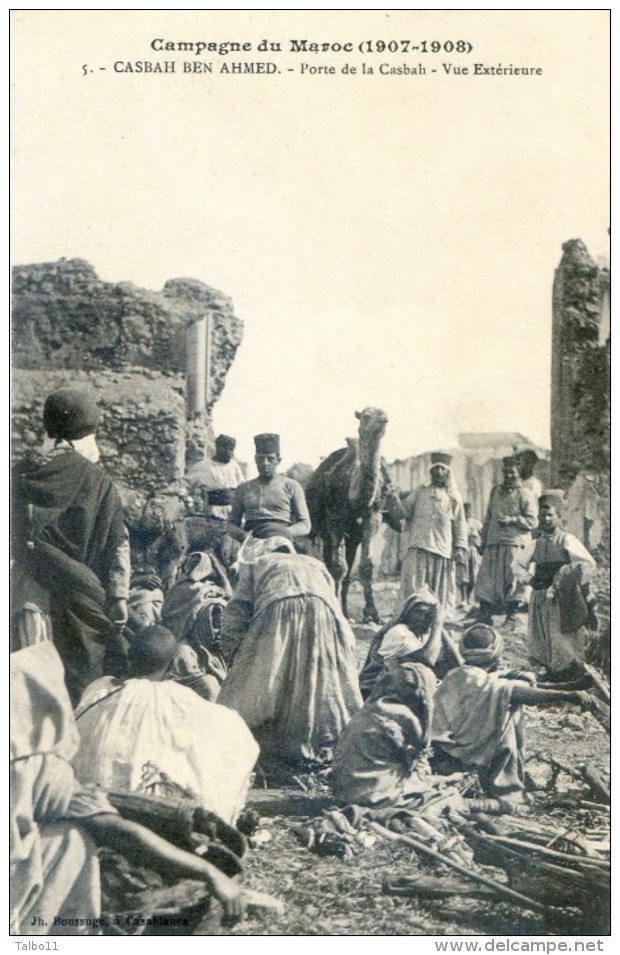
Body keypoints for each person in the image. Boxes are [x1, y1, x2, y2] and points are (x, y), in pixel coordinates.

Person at [10, 642, 281, 936]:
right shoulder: (36, 769)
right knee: (74, 840)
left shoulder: (98, 693)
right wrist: (209, 871)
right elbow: (118, 831)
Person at [11, 387, 130, 704]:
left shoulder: (18, 474)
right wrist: (118, 596)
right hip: (78, 606)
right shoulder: (98, 482)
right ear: (88, 433)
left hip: (22, 602)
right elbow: (116, 543)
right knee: (77, 692)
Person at [73, 625, 259, 826]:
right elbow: (235, 732)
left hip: (88, 803)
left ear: (129, 656)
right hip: (150, 811)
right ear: (171, 667)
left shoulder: (99, 688)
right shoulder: (178, 698)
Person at [218, 525, 362, 766]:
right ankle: (314, 739)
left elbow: (239, 608)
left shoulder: (257, 564)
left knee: (264, 676)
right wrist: (345, 646)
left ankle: (255, 737)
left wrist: (234, 652)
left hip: (278, 612)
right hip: (323, 618)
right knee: (315, 676)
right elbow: (337, 609)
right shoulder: (315, 564)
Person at [431, 625, 594, 802]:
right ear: (495, 655)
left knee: (505, 698)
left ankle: (510, 778)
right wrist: (567, 695)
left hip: (442, 750)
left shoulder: (458, 674)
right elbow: (519, 694)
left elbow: (508, 685)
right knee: (506, 711)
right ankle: (505, 786)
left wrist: (569, 687)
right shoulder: (486, 684)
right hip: (460, 756)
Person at [331, 660, 436, 808]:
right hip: (376, 794)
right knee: (443, 797)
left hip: (346, 790)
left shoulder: (371, 707)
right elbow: (415, 760)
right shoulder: (407, 717)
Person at [518, 491, 597, 681]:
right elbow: (517, 565)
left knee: (562, 632)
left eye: (550, 515)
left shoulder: (566, 540)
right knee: (541, 631)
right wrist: (529, 579)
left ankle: (568, 669)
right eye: (542, 515)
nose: (545, 519)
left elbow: (587, 564)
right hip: (540, 594)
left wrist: (566, 576)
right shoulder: (535, 543)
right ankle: (546, 668)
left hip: (562, 596)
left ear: (558, 516)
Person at [396, 452, 467, 612]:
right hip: (419, 546)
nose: (439, 473)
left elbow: (460, 524)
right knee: (415, 589)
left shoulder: (453, 496)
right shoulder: (420, 492)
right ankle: (412, 620)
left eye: (443, 469)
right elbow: (404, 511)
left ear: (448, 472)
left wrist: (460, 547)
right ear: (431, 471)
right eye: (436, 469)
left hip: (443, 550)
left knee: (440, 592)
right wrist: (393, 499)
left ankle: (439, 624)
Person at [475, 456, 537, 627]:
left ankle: (512, 616)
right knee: (486, 578)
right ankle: (485, 615)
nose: (509, 476)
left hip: (515, 543)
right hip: (494, 542)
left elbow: (533, 521)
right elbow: (488, 518)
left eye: (513, 473)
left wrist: (512, 520)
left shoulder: (525, 494)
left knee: (513, 580)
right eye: (506, 472)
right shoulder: (496, 492)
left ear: (519, 474)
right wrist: (484, 539)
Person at [162, 550, 232, 700]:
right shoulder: (194, 588)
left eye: (196, 563)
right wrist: (219, 574)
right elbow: (228, 595)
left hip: (191, 639)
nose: (192, 566)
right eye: (191, 562)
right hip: (185, 637)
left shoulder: (186, 588)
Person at [358, 586, 448, 699]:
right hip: (377, 689)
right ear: (407, 613)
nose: (422, 617)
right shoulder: (399, 632)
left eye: (427, 613)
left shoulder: (423, 633)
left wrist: (439, 625)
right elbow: (428, 660)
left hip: (400, 684)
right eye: (418, 612)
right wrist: (437, 625)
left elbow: (455, 662)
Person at [228, 433, 311, 539]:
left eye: (270, 459)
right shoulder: (243, 488)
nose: (265, 463)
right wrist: (244, 536)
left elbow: (305, 525)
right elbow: (231, 524)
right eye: (260, 459)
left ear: (278, 460)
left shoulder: (292, 486)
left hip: (281, 539)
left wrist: (282, 533)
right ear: (255, 459)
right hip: (251, 540)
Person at [456, 502, 483, 607]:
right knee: (463, 575)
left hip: (474, 551)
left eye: (469, 511)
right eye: (465, 511)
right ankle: (463, 599)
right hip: (463, 551)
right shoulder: (459, 523)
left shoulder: (476, 523)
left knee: (473, 575)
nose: (468, 513)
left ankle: (469, 598)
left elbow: (484, 533)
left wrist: (480, 545)